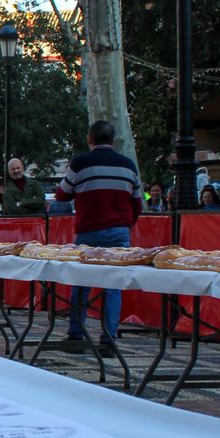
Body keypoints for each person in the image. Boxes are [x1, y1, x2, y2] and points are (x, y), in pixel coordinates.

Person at [54, 120, 141, 351]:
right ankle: (109, 338)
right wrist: (126, 224)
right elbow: (138, 201)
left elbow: (62, 195)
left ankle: (76, 334)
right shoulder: (128, 165)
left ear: (89, 139)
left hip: (89, 231)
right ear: (113, 140)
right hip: (119, 232)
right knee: (113, 286)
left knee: (81, 281)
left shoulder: (80, 163)